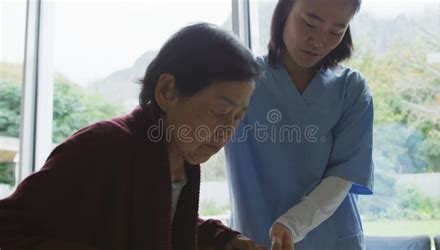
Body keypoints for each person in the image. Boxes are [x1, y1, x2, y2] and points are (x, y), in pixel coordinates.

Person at [0, 23, 265, 250]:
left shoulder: (180, 161)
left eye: (238, 117)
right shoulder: (101, 147)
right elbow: (8, 228)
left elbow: (155, 224)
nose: (228, 131)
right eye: (220, 111)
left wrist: (221, 240)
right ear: (167, 91)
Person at [224, 0, 374, 249]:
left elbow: (343, 175)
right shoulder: (241, 81)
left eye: (336, 31)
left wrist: (293, 224)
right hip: (255, 240)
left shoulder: (351, 89)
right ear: (284, 12)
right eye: (310, 23)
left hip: (333, 239)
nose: (318, 40)